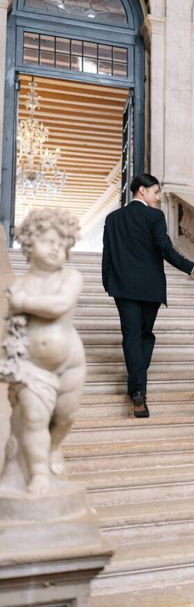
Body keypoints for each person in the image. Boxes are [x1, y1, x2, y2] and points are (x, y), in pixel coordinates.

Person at [102, 174, 194, 418]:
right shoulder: (154, 216)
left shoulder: (113, 218)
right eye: (155, 192)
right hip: (150, 288)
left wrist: (108, 283)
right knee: (145, 335)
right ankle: (138, 388)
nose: (157, 197)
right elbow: (166, 250)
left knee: (131, 336)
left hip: (122, 288)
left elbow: (107, 255)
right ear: (141, 191)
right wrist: (191, 267)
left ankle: (137, 386)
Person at [1, 208, 85, 495]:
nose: (55, 249)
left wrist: (23, 302)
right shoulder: (19, 284)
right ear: (28, 241)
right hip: (33, 367)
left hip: (71, 365)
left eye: (62, 245)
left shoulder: (69, 277)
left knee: (66, 417)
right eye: (49, 241)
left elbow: (60, 305)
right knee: (35, 418)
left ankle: (55, 447)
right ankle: (38, 474)